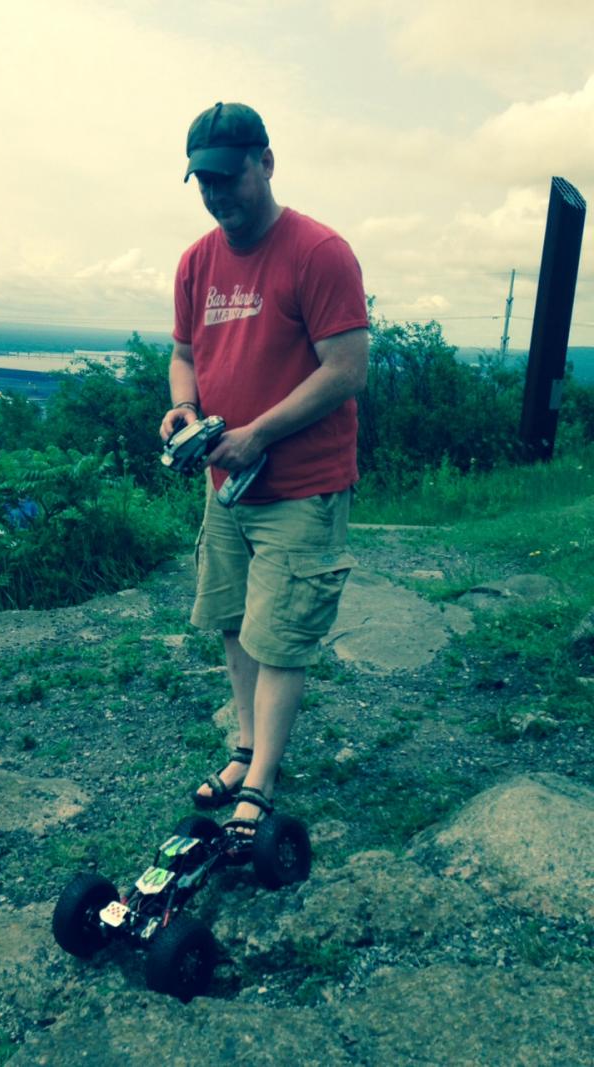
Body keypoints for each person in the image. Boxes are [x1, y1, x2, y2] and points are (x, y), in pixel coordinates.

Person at [159, 102, 369, 839]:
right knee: (233, 621)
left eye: (228, 178)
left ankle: (263, 778)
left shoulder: (319, 252)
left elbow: (346, 370)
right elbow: (185, 355)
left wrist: (259, 433)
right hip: (226, 485)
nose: (217, 196)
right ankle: (245, 746)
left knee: (279, 633)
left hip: (301, 485)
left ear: (266, 163)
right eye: (204, 183)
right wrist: (184, 410)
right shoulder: (196, 261)